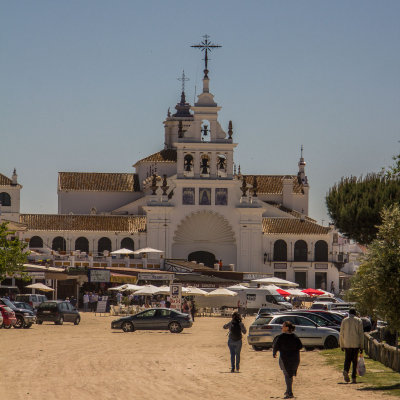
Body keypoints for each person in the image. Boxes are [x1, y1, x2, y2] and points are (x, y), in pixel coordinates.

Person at [273, 321, 303, 399]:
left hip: (285, 358)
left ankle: (289, 392)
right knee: (289, 375)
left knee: (287, 375)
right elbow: (300, 346)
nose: (281, 327)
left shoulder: (281, 337)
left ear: (287, 328)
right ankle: (288, 391)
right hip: (294, 358)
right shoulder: (295, 337)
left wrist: (274, 353)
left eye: (283, 326)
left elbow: (276, 346)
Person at [339, 308, 364, 383]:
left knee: (347, 359)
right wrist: (361, 346)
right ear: (355, 313)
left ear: (349, 313)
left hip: (347, 343)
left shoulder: (344, 320)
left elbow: (341, 334)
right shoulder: (358, 321)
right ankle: (353, 377)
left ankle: (346, 370)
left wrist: (341, 344)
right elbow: (361, 334)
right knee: (354, 361)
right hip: (356, 343)